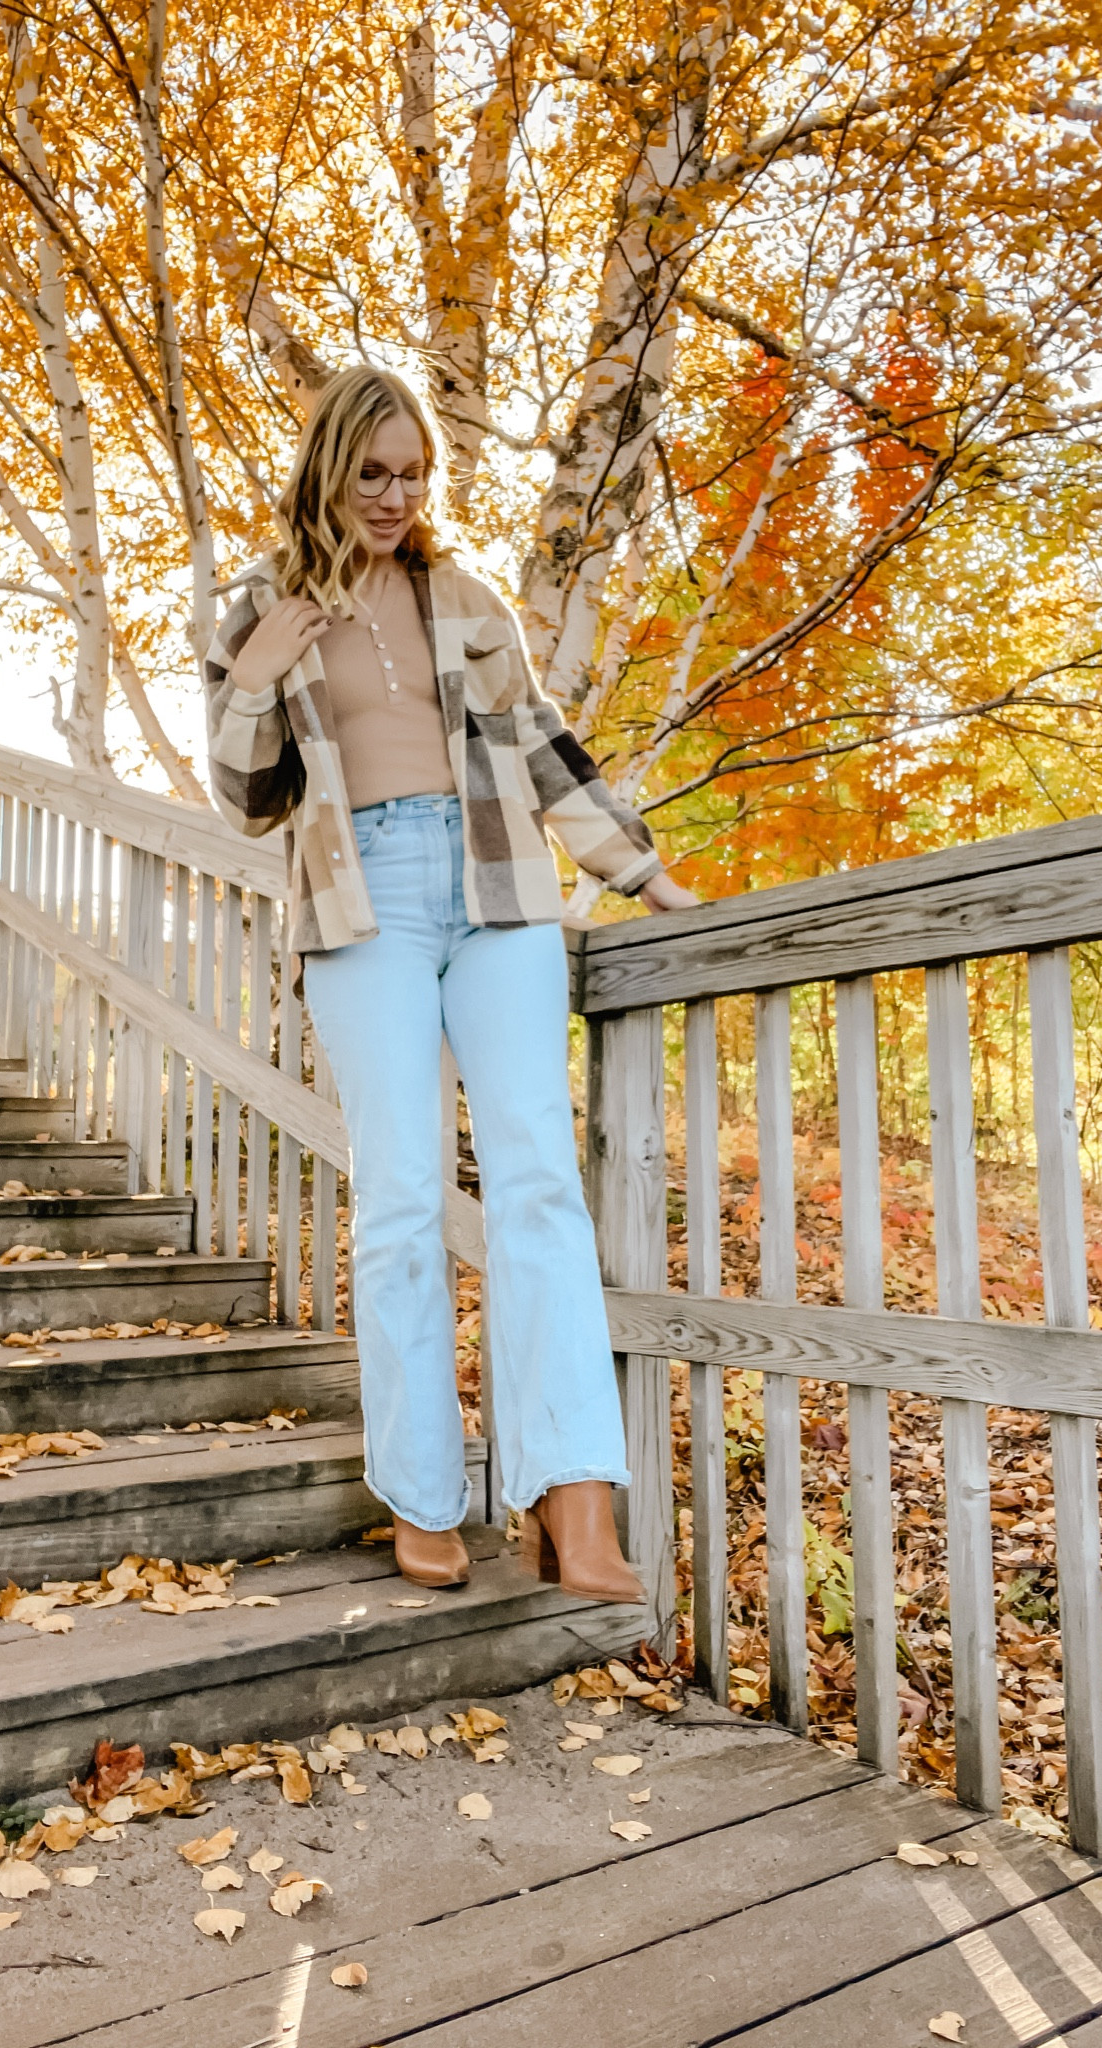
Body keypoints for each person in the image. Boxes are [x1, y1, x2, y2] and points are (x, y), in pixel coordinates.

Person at [204, 365, 695, 1603]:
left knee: (537, 1177)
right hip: (356, 898)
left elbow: (539, 744)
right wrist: (257, 670)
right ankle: (422, 1493)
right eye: (372, 471)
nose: (394, 493)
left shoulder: (468, 597)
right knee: (404, 1200)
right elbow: (245, 795)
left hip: (498, 889)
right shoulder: (258, 604)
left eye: (413, 471)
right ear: (327, 468)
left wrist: (636, 869)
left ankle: (573, 1502)